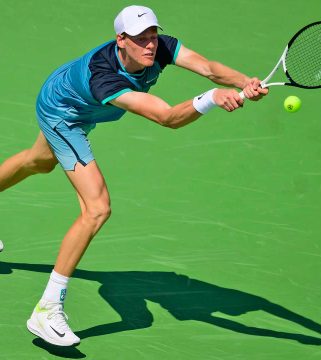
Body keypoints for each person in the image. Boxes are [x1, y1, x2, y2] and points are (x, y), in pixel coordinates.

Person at [0, 5, 268, 347]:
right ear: (121, 40)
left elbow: (208, 68)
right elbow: (168, 117)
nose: (150, 45)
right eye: (141, 39)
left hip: (73, 98)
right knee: (96, 208)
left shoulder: (162, 47)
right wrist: (213, 98)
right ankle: (47, 308)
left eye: (153, 36)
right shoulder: (104, 76)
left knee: (38, 162)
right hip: (63, 113)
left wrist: (244, 82)